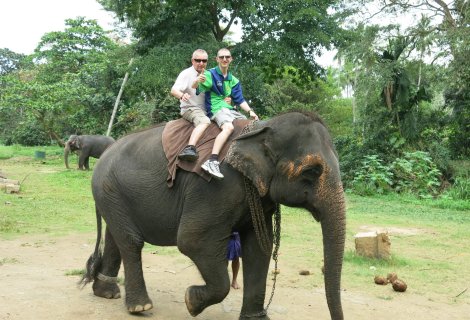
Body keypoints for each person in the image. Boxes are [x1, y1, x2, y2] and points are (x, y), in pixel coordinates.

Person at [193, 48, 259, 179]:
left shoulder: (233, 80)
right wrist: (197, 81)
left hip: (230, 110)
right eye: (221, 57)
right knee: (228, 127)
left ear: (231, 59)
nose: (224, 59)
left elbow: (240, 100)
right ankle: (212, 161)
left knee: (251, 124)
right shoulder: (210, 74)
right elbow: (196, 87)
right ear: (217, 59)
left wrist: (251, 111)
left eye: (227, 57)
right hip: (216, 109)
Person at [171, 49, 211, 161]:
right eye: (198, 60)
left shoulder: (208, 75)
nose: (201, 63)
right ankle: (190, 148)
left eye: (204, 60)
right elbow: (174, 90)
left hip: (206, 110)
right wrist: (181, 96)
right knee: (204, 122)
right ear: (192, 61)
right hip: (190, 108)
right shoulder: (186, 73)